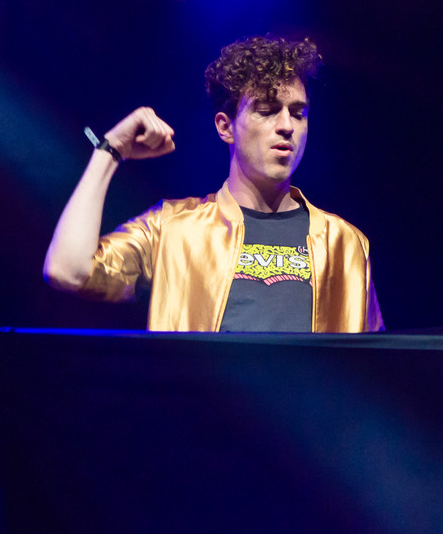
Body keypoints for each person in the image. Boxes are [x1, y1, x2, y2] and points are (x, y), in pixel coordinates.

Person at [43, 36, 383, 332]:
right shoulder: (171, 227)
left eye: (298, 113)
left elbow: (376, 367)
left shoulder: (345, 243)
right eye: (267, 110)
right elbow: (67, 270)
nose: (286, 126)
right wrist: (110, 151)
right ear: (225, 127)